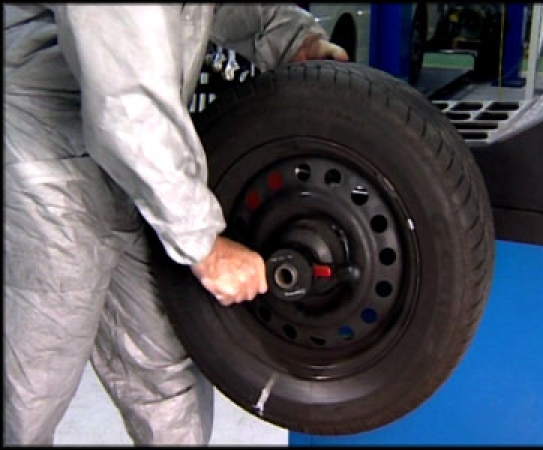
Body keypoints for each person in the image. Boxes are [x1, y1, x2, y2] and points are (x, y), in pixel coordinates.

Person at [3, 3, 348, 445]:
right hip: (45, 159)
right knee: (32, 383)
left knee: (168, 370)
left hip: (139, 165)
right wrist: (205, 246)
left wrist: (293, 37)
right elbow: (126, 106)